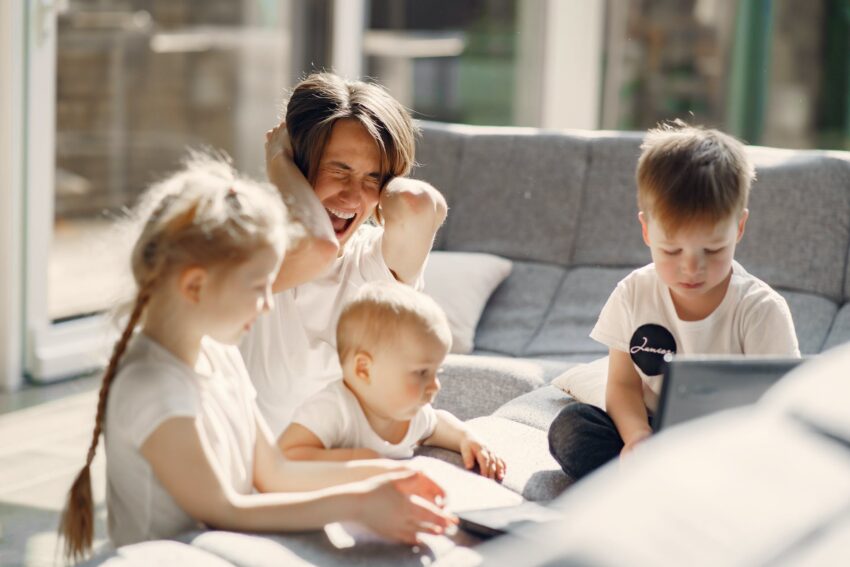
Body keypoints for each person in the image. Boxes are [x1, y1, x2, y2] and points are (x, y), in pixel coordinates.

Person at [58, 155, 455, 562]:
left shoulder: (220, 355)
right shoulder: (153, 385)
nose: (268, 305)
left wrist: (391, 475)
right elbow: (223, 508)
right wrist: (357, 504)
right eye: (258, 287)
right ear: (196, 285)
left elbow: (275, 472)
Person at [547, 121, 800, 481]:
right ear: (647, 230)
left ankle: (660, 487)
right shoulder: (634, 292)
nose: (691, 268)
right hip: (652, 432)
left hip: (725, 442)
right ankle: (654, 482)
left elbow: (778, 407)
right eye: (671, 250)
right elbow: (622, 385)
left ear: (739, 229)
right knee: (572, 429)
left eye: (712, 250)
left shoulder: (759, 309)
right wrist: (636, 436)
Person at [240, 72, 448, 441]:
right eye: (338, 170)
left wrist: (386, 175)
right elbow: (317, 248)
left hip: (336, 475)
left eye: (373, 178)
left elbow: (418, 205)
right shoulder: (249, 249)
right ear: (298, 163)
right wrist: (278, 164)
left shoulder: (371, 263)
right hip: (255, 474)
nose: (353, 198)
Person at [278, 282, 506, 480]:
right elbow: (286, 455)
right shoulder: (333, 409)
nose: (435, 386)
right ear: (364, 369)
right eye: (421, 373)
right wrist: (357, 458)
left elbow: (436, 425)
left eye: (437, 372)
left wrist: (466, 439)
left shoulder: (410, 414)